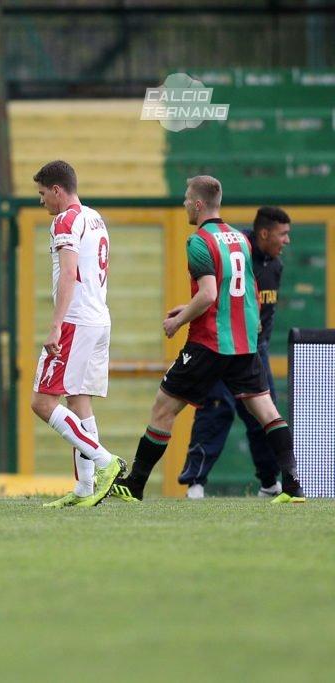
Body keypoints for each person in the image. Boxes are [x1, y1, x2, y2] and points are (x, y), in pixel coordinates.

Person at [112, 177, 305, 504]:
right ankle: (292, 487)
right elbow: (240, 292)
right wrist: (190, 307)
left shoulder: (199, 241)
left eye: (187, 199)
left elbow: (209, 293)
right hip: (244, 344)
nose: (185, 204)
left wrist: (178, 320)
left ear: (199, 204)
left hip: (209, 343)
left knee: (163, 408)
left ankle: (135, 484)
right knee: (267, 411)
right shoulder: (240, 240)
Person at [29, 160, 124, 508]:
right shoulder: (95, 217)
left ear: (57, 190)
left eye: (42, 193)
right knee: (78, 399)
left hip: (75, 320)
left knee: (42, 401)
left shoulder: (65, 220)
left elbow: (69, 273)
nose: (41, 201)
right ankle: (86, 490)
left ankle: (105, 462)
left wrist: (55, 324)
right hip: (99, 317)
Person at [179, 207, 292, 498]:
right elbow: (211, 291)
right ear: (264, 233)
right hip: (225, 344)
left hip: (256, 350)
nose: (287, 241)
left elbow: (265, 311)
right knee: (216, 410)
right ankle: (196, 483)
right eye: (283, 234)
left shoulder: (276, 266)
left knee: (263, 417)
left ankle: (271, 483)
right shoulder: (237, 249)